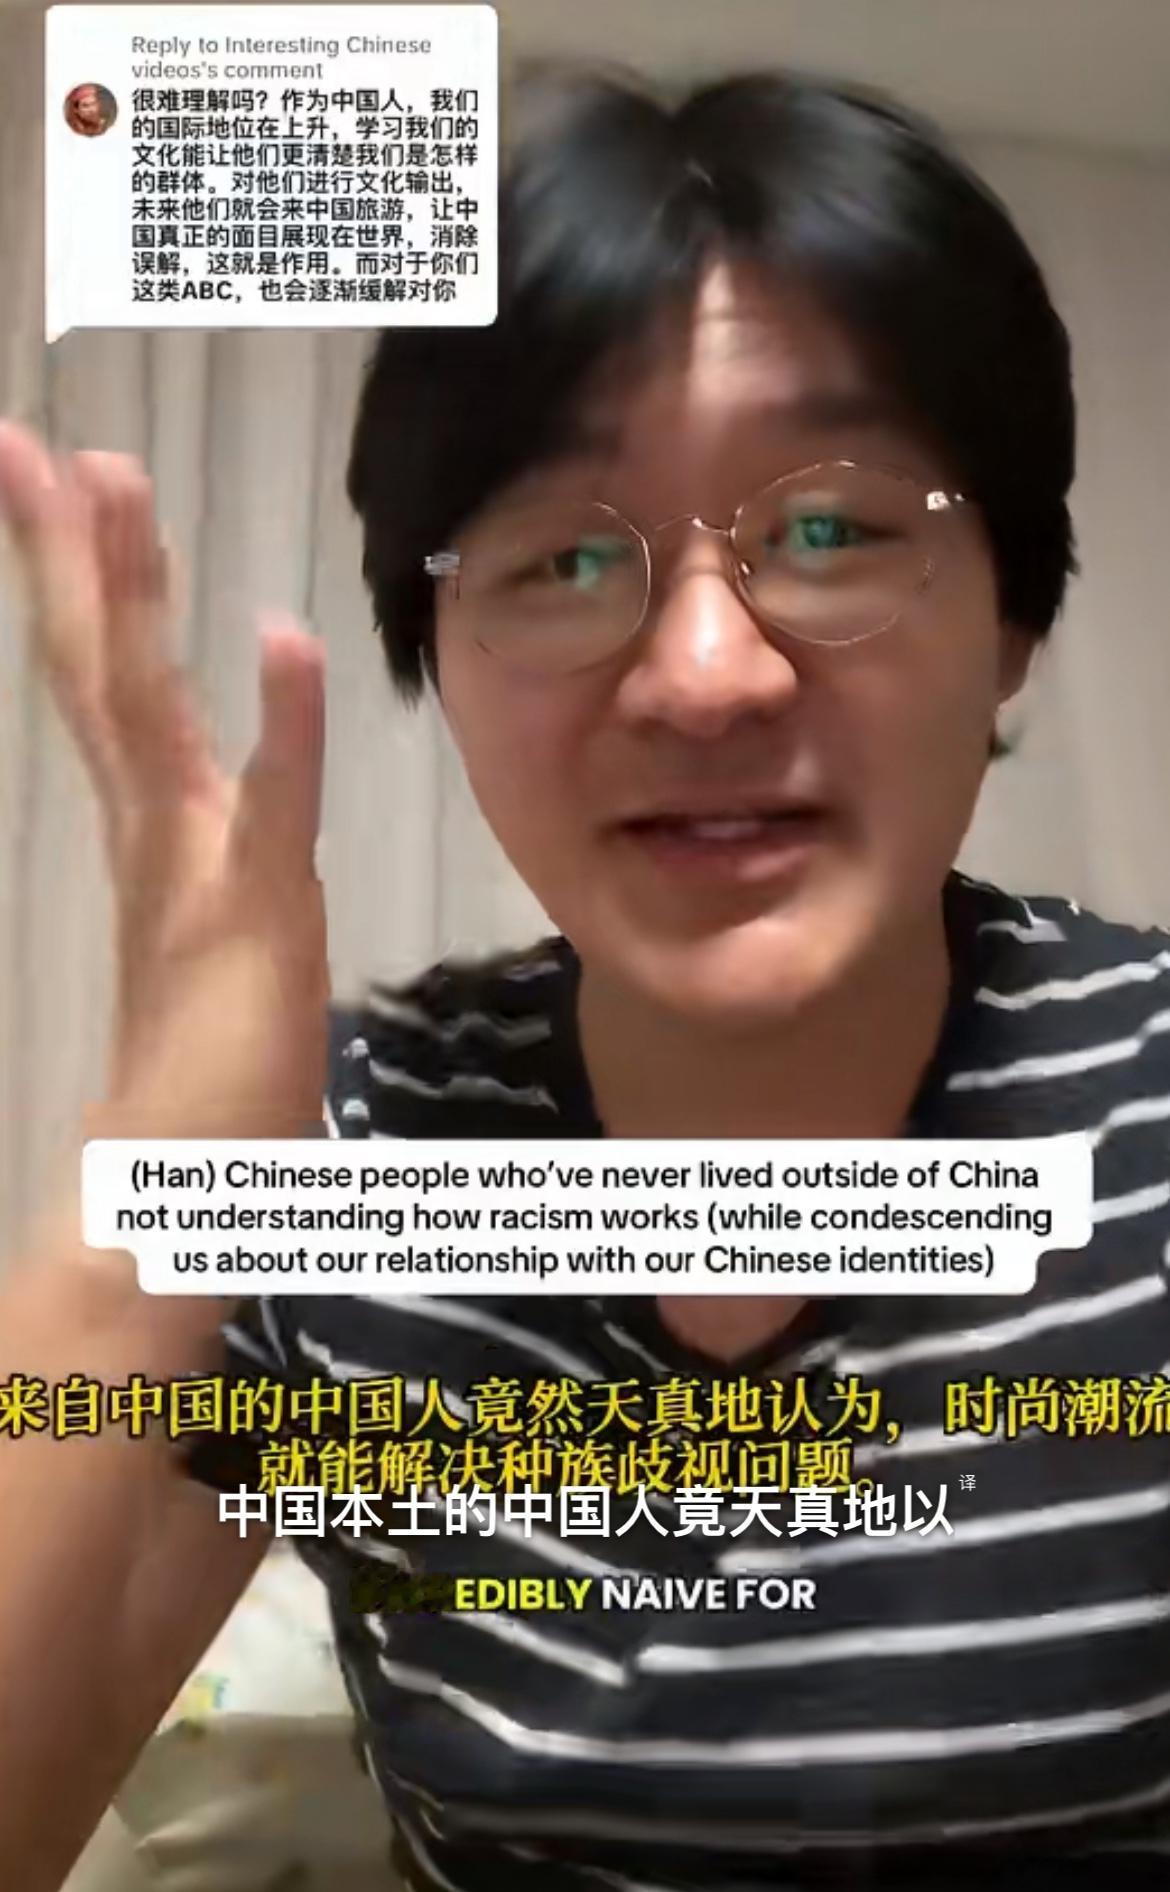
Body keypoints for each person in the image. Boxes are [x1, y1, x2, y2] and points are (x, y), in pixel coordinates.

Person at [2, 58, 1169, 1892]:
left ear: (1011, 618)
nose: (703, 676)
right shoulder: (343, 1170)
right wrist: (153, 1176)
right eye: (558, 556)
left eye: (830, 531)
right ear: (438, 648)